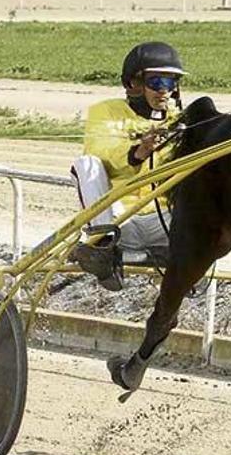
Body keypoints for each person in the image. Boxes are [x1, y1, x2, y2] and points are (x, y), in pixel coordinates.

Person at [70, 41, 186, 291]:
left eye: (171, 83)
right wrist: (139, 151)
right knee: (86, 164)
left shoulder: (182, 121)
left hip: (166, 224)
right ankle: (102, 247)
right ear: (134, 84)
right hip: (120, 221)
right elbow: (101, 152)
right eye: (157, 82)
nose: (164, 91)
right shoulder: (106, 112)